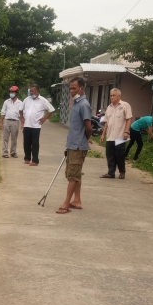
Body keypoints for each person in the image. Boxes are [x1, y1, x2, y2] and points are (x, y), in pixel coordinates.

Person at [57, 77, 94, 215]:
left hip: (78, 146)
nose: (72, 91)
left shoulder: (84, 104)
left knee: (73, 176)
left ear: (81, 88)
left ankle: (66, 203)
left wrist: (85, 139)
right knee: (75, 174)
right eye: (70, 88)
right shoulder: (77, 104)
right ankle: (77, 200)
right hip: (72, 144)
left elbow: (88, 127)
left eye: (74, 88)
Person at [99, 88, 133, 179]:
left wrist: (126, 132)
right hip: (110, 136)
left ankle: (122, 171)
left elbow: (129, 118)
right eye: (111, 95)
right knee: (109, 155)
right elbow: (107, 122)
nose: (112, 97)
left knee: (120, 155)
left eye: (114, 95)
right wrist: (103, 134)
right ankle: (111, 173)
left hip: (120, 136)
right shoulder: (109, 107)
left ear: (119, 96)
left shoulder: (125, 105)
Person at [19, 84, 55, 166]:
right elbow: (20, 109)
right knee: (26, 143)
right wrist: (22, 118)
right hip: (27, 125)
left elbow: (51, 110)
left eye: (32, 91)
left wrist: (44, 118)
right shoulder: (27, 100)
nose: (31, 93)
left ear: (37, 91)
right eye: (30, 91)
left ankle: (35, 160)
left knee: (35, 143)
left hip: (36, 126)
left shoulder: (43, 100)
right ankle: (27, 158)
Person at [0, 86, 23, 158]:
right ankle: (5, 152)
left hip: (15, 122)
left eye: (13, 92)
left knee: (14, 138)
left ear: (16, 93)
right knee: (5, 137)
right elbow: (3, 112)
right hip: (7, 121)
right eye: (10, 92)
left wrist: (22, 123)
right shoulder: (6, 102)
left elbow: (21, 114)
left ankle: (13, 152)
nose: (11, 94)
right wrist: (1, 122)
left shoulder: (20, 103)